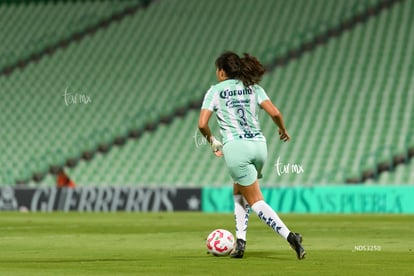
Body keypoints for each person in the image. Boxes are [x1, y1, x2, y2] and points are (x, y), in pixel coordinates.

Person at [198, 51, 306, 259]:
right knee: (239, 190)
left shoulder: (215, 91)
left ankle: (291, 237)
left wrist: (212, 141)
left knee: (256, 200)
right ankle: (240, 242)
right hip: (259, 146)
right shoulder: (254, 87)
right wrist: (282, 129)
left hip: (236, 148)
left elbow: (202, 124)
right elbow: (275, 112)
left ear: (221, 72)